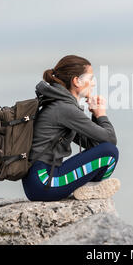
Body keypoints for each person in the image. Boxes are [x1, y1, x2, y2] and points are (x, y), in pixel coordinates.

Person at [22, 55, 120, 201]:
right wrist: (102, 115)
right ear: (76, 81)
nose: (93, 84)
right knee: (110, 152)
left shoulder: (60, 104)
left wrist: (94, 115)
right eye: (91, 78)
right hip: (44, 182)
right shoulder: (64, 108)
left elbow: (93, 145)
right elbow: (110, 140)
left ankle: (91, 189)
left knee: (106, 149)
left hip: (37, 183)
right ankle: (92, 189)